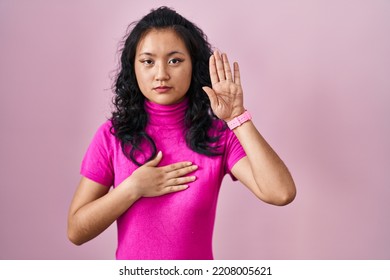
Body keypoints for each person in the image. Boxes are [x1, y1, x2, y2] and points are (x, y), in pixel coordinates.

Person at [67, 6, 296, 260]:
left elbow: (281, 193)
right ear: (133, 67)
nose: (161, 74)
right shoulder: (112, 135)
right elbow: (76, 231)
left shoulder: (218, 135)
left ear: (193, 65)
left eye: (174, 60)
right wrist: (132, 188)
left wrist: (237, 118)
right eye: (148, 62)